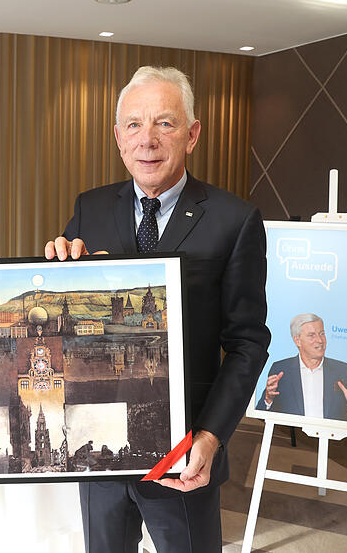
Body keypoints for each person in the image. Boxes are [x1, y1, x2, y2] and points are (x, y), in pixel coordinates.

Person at [45, 66, 270, 553]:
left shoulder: (235, 220)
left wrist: (210, 438)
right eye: (133, 124)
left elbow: (249, 343)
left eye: (164, 124)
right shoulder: (91, 208)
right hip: (100, 448)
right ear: (117, 137)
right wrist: (60, 272)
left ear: (192, 134)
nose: (147, 139)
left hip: (185, 454)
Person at [256, 313, 347, 423]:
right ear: (297, 340)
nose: (320, 340)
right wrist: (268, 400)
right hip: (290, 440)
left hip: (333, 442)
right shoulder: (281, 370)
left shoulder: (343, 371)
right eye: (312, 335)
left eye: (322, 333)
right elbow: (260, 416)